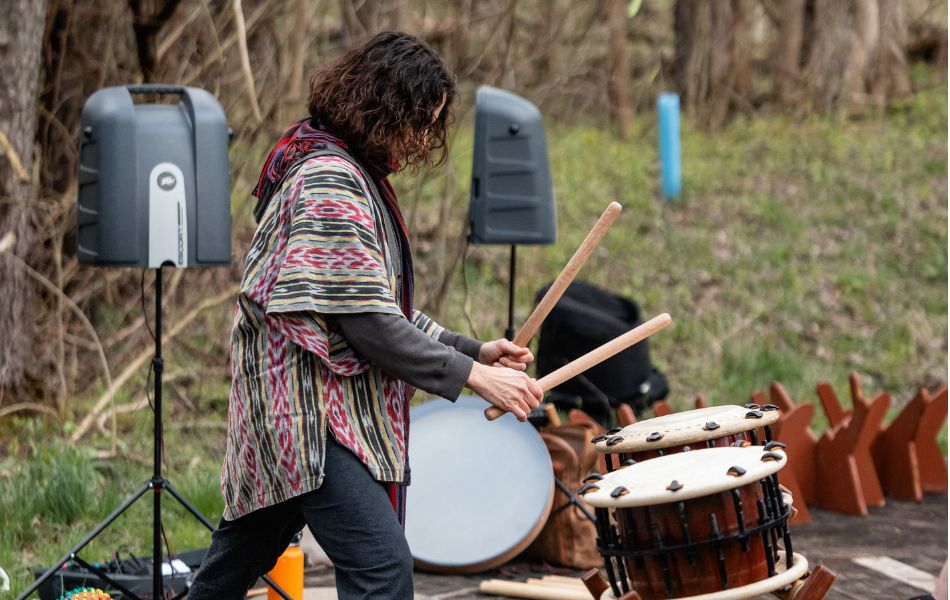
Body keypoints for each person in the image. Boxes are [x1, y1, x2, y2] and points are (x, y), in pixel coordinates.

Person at [188, 31, 543, 599]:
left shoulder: (345, 174)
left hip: (294, 415)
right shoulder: (330, 181)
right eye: (420, 120)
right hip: (306, 420)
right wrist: (475, 378)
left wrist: (473, 350)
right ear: (385, 107)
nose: (424, 137)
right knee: (382, 569)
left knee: (222, 582)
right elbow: (367, 324)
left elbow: (375, 304)